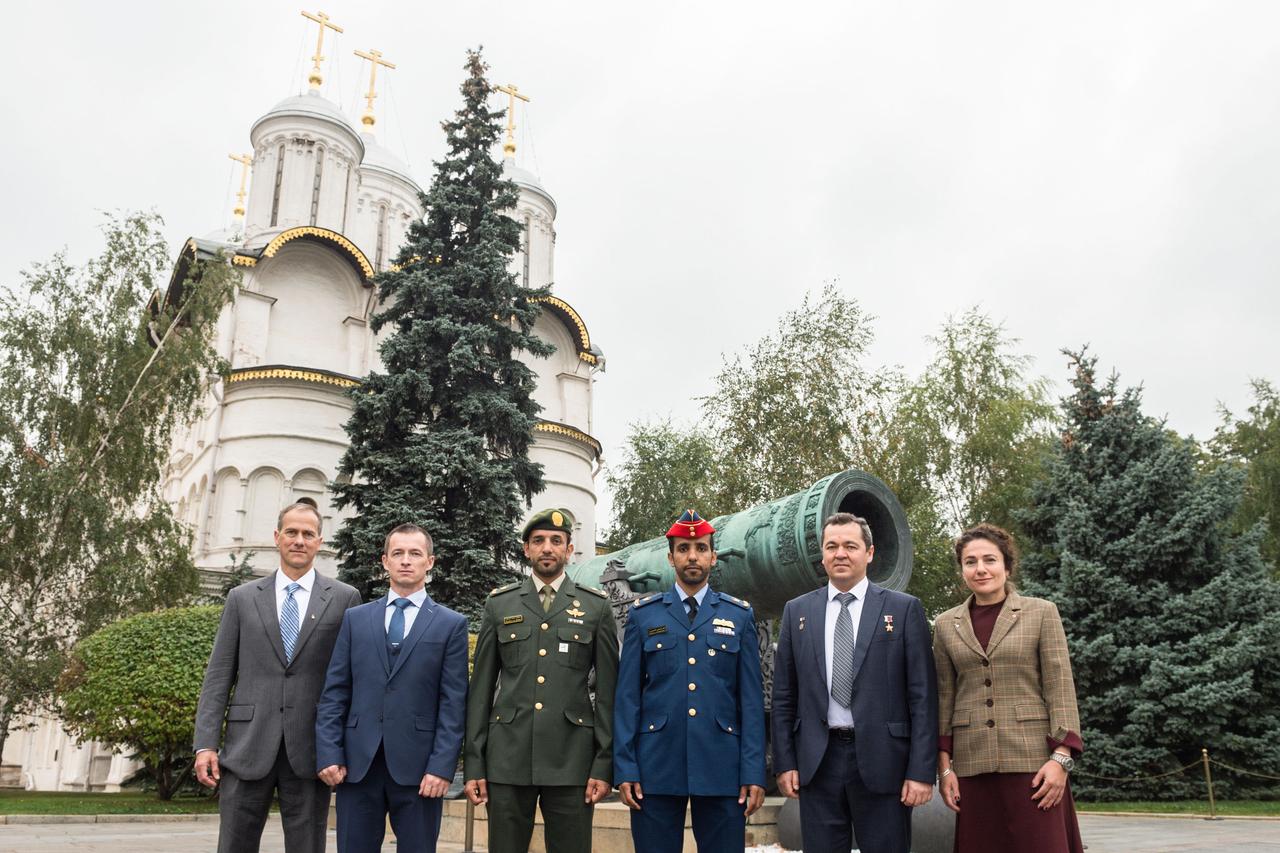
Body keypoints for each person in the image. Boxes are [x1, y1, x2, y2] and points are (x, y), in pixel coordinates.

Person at [193, 502, 362, 853]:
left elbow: (350, 681)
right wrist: (205, 743)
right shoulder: (241, 599)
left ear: (319, 541)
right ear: (277, 537)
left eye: (308, 534)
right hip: (246, 746)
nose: (299, 540)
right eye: (291, 532)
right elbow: (219, 674)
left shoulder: (345, 599)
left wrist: (342, 747)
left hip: (311, 751)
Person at [772, 512, 938, 853]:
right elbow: (784, 697)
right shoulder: (797, 612)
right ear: (822, 555)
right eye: (831, 546)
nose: (840, 554)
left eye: (850, 545)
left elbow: (923, 697)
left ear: (870, 553)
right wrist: (785, 762)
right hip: (818, 763)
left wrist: (922, 771)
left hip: (885, 762)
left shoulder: (904, 610)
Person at [463, 507, 620, 853]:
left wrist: (603, 763)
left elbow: (609, 694)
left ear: (569, 550)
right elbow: (481, 691)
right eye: (538, 541)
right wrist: (474, 760)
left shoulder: (595, 608)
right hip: (507, 758)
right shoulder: (500, 605)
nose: (547, 548)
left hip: (572, 762)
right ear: (526, 550)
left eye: (556, 541)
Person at [614, 509, 767, 852]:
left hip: (722, 768)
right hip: (655, 767)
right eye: (684, 549)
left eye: (700, 548)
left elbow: (751, 702)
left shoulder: (738, 616)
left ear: (714, 556)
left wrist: (753, 771)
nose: (692, 556)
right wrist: (625, 767)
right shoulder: (644, 615)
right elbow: (627, 698)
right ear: (671, 558)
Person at [315, 523, 469, 853]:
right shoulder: (356, 619)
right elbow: (335, 693)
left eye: (415, 553)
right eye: (397, 553)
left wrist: (441, 768)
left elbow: (453, 703)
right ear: (384, 561)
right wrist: (329, 752)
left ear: (430, 562)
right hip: (357, 768)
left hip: (420, 772)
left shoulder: (451, 625)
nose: (406, 560)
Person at [933, 523, 1085, 853]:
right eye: (970, 562)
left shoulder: (1041, 613)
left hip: (1034, 765)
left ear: (1007, 564)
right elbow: (944, 696)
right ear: (961, 569)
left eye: (990, 559)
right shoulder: (946, 624)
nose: (980, 569)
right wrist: (944, 769)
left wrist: (1061, 759)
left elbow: (1059, 687)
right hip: (972, 767)